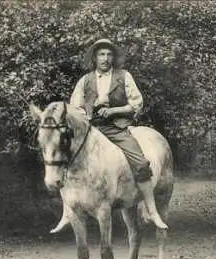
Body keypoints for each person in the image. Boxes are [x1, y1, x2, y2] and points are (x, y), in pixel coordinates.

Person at [69, 38, 168, 229]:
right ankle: (68, 210)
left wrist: (114, 111)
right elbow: (75, 108)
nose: (105, 59)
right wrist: (89, 112)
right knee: (67, 159)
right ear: (95, 58)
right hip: (92, 130)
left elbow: (136, 103)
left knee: (140, 162)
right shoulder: (85, 80)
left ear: (113, 57)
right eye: (101, 55)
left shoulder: (123, 76)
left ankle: (152, 210)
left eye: (108, 54)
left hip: (117, 128)